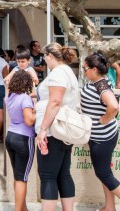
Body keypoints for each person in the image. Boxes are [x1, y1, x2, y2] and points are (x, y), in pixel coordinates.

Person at [79, 51, 120, 211]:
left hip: (102, 137)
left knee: (103, 173)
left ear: (94, 69)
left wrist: (104, 119)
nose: (84, 72)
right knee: (105, 171)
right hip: (102, 135)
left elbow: (113, 106)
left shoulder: (101, 85)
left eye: (86, 69)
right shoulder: (100, 82)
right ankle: (110, 206)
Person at [34, 43, 79, 211]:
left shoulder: (58, 73)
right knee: (63, 174)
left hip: (53, 131)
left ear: (50, 56)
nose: (45, 60)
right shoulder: (68, 72)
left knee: (47, 176)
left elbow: (55, 101)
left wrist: (43, 129)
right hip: (64, 131)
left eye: (45, 56)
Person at [5, 70, 36, 211]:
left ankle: (23, 208)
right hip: (23, 139)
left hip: (10, 136)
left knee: (18, 176)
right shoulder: (25, 98)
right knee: (22, 178)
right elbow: (29, 121)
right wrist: (38, 113)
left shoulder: (10, 97)